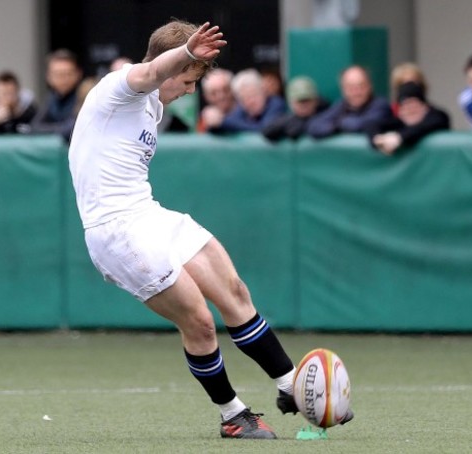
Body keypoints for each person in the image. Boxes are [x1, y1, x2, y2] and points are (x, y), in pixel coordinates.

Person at [68, 19, 353, 440]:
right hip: (114, 231)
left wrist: (186, 63)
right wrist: (183, 55)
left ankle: (292, 386)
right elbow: (149, 73)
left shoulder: (155, 107)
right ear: (169, 65)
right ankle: (233, 415)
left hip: (147, 214)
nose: (191, 89)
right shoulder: (119, 87)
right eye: (187, 79)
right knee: (199, 321)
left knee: (233, 291)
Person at [308, 65, 393, 139]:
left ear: (369, 86)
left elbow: (365, 124)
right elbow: (314, 125)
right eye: (351, 88)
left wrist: (340, 124)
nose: (356, 92)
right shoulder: (341, 106)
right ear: (343, 89)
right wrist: (336, 127)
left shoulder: (380, 105)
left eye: (361, 86)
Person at [367, 81, 450, 155]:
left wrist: (400, 137)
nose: (410, 110)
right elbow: (371, 124)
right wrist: (379, 141)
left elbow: (438, 120)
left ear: (425, 107)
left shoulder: (436, 118)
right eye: (405, 106)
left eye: (414, 105)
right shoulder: (399, 122)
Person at [208, 68, 287, 133]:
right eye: (245, 99)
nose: (251, 102)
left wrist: (223, 122)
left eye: (253, 95)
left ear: (263, 91)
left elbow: (265, 128)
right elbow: (228, 122)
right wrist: (214, 121)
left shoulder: (276, 104)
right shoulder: (241, 109)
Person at [31, 49, 82, 135]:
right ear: (48, 77)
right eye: (58, 74)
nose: (63, 79)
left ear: (78, 74)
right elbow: (35, 127)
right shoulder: (51, 98)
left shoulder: (84, 97)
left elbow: (72, 128)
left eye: (67, 74)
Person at [262, 76, 329, 141]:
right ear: (291, 103)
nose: (304, 105)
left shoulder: (326, 115)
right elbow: (267, 131)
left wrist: (303, 126)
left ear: (315, 101)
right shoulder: (289, 119)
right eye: (300, 101)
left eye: (307, 100)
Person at [197, 68, 235, 132]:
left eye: (225, 89)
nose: (221, 96)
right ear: (206, 96)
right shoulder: (202, 120)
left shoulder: (247, 110)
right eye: (214, 93)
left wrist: (222, 122)